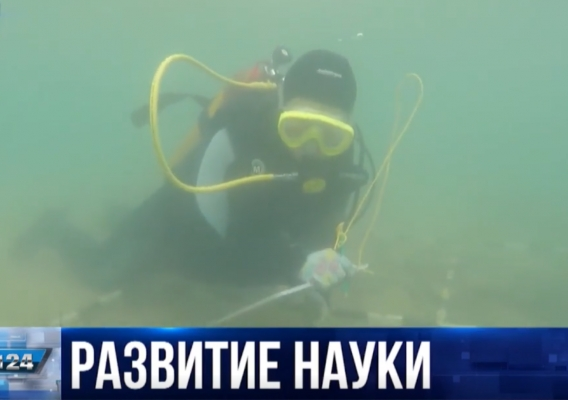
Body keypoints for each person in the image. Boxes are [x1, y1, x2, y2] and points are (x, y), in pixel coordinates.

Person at [13, 48, 375, 322]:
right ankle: (54, 228)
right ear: (280, 111)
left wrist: (324, 274)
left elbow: (324, 232)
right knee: (102, 273)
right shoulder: (239, 137)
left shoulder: (341, 166)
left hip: (251, 250)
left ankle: (116, 216)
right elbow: (218, 233)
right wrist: (296, 262)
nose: (312, 147)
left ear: (348, 131)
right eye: (296, 128)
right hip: (182, 226)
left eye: (331, 136)